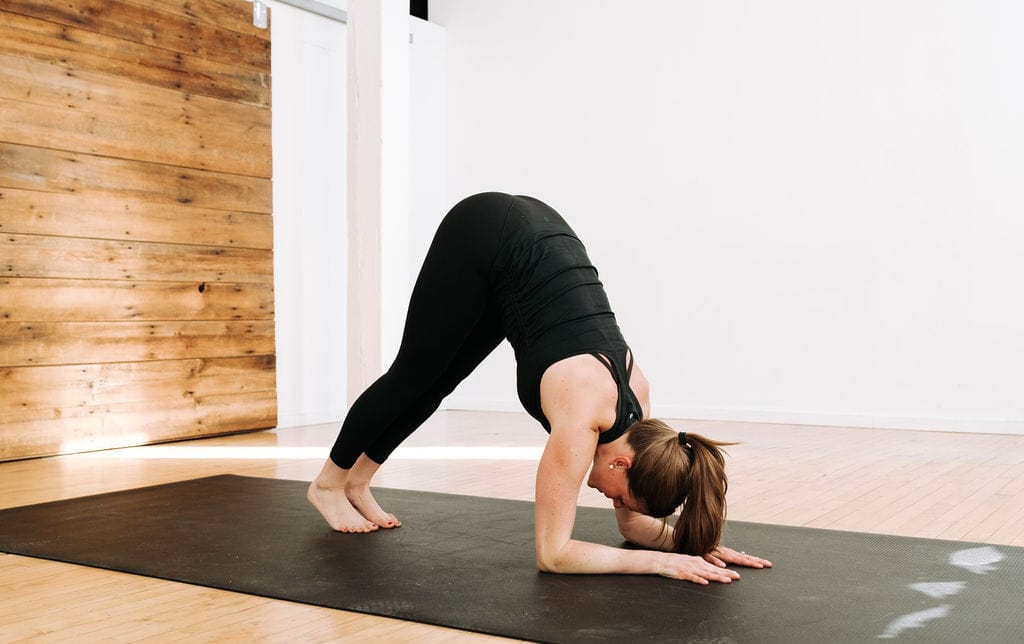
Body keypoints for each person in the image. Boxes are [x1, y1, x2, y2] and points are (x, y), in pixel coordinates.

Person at [308, 192, 772, 584]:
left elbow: (636, 527)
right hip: (484, 231)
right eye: (617, 494)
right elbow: (553, 555)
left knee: (436, 384)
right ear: (622, 462)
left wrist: (695, 547)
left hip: (532, 246)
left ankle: (359, 480)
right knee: (412, 375)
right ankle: (329, 484)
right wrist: (657, 564)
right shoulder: (583, 413)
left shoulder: (644, 424)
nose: (610, 500)